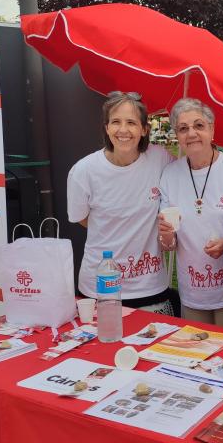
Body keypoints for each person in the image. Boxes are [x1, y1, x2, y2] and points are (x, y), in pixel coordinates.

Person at [67, 91, 179, 315]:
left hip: (150, 287)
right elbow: (82, 219)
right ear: (106, 127)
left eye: (131, 122)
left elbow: (191, 173)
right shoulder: (84, 170)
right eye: (116, 122)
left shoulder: (160, 159)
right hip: (100, 287)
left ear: (144, 129)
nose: (123, 130)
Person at [157, 98, 223, 326]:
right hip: (192, 294)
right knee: (195, 355)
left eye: (199, 125)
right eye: (183, 128)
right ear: (177, 136)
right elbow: (167, 244)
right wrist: (167, 235)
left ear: (212, 129)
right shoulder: (170, 175)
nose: (191, 133)